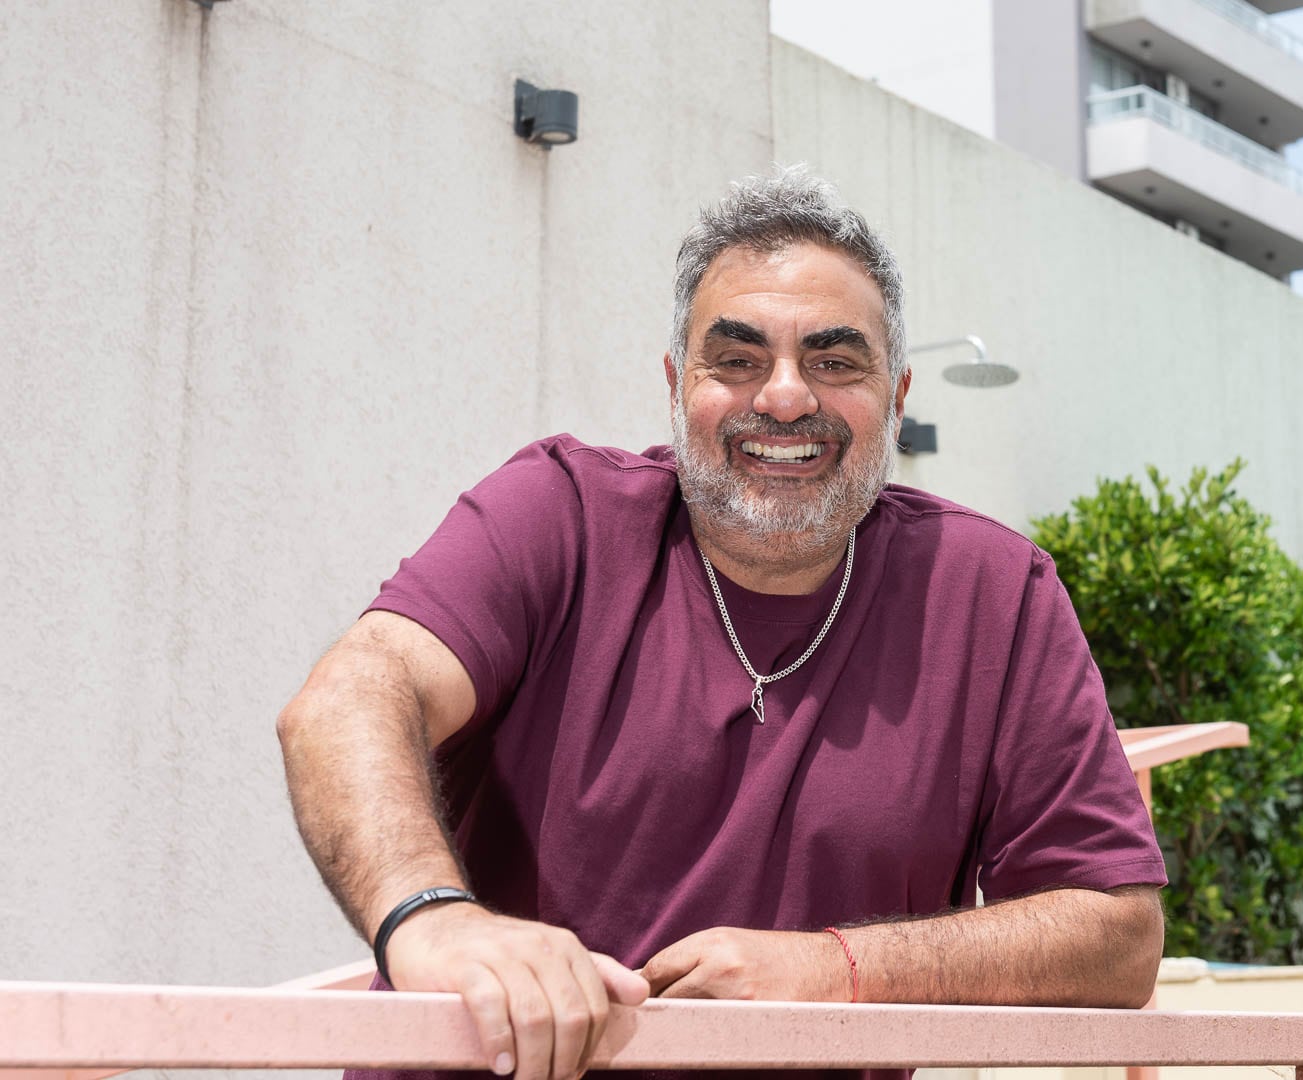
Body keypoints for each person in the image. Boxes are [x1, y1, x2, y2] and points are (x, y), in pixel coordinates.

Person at [275, 168, 1166, 1080]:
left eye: (834, 362)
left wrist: (838, 969)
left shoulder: (995, 595)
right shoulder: (558, 515)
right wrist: (433, 921)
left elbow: (1117, 934)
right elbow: (349, 700)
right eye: (736, 360)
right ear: (677, 386)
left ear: (898, 398)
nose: (784, 397)